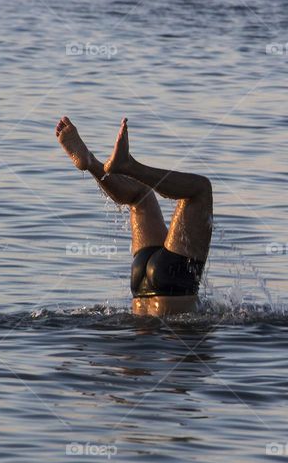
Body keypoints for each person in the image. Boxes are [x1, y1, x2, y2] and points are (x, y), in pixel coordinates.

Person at [56, 116, 212, 316]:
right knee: (200, 190)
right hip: (173, 296)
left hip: (143, 285)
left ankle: (91, 163)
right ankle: (128, 166)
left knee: (141, 196)